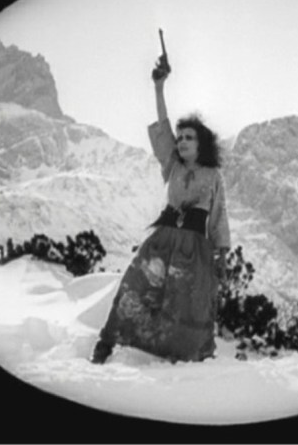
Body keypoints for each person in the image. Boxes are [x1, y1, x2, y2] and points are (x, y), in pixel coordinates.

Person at [90, 55, 231, 364]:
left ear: (202, 143)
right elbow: (163, 127)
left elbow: (218, 216)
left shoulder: (213, 176)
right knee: (136, 285)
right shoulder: (172, 165)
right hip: (163, 241)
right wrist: (159, 87)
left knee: (185, 302)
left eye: (189, 137)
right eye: (180, 138)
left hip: (193, 249)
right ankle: (108, 341)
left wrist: (221, 254)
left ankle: (180, 358)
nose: (181, 141)